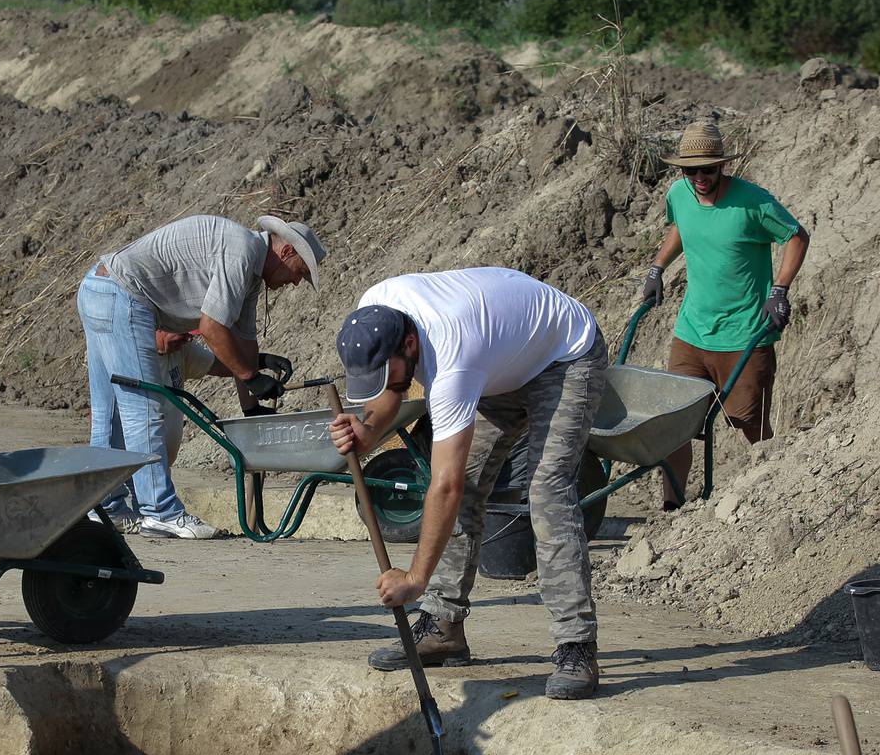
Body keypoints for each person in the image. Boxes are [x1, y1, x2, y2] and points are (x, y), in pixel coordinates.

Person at [330, 268, 607, 700]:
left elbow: (446, 484)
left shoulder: (451, 358)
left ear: (409, 343)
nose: (383, 382)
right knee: (471, 481)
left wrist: (415, 578)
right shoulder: (375, 314)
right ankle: (442, 627)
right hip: (500, 358)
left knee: (546, 491)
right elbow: (393, 386)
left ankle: (576, 646)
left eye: (389, 370)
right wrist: (369, 431)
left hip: (564, 355)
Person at [81, 214, 324, 539]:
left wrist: (252, 404)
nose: (295, 282)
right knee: (143, 411)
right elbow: (211, 328)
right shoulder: (241, 252)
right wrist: (251, 377)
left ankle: (105, 508)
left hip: (98, 288)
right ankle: (160, 512)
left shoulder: (250, 269)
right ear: (285, 253)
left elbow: (243, 344)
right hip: (123, 295)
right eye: (300, 273)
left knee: (108, 414)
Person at [639, 121, 807, 508]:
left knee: (749, 424)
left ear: (722, 167)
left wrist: (780, 290)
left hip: (744, 334)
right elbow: (682, 226)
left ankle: (776, 497)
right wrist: (657, 268)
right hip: (692, 333)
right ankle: (672, 507)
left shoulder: (753, 203)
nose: (699, 178)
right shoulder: (679, 194)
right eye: (690, 170)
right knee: (674, 423)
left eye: (707, 170)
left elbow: (797, 237)